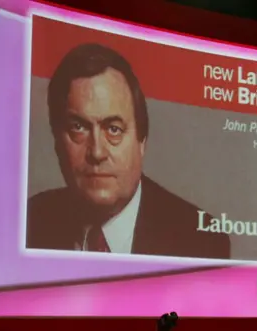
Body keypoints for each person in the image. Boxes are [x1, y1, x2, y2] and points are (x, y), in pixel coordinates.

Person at [26, 43, 230, 259]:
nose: (96, 152)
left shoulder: (201, 241)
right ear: (57, 141)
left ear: (142, 141)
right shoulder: (29, 221)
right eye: (79, 128)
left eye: (114, 129)